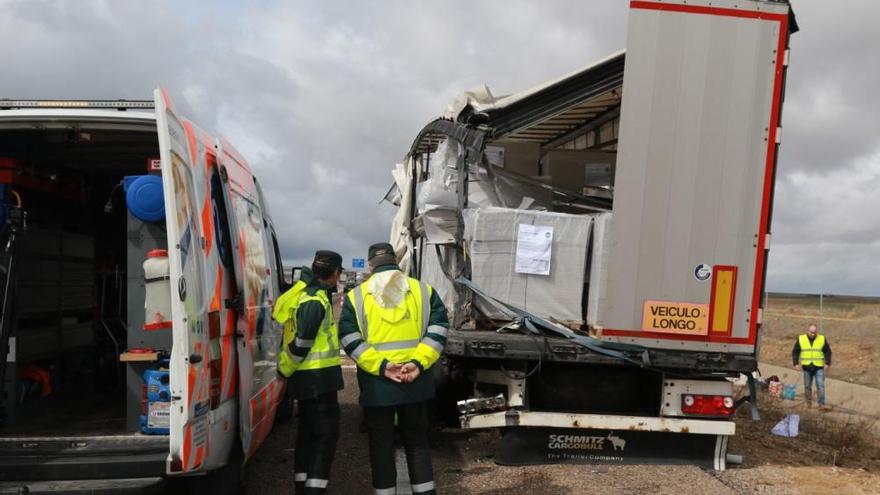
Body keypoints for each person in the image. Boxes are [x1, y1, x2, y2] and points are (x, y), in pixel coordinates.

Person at [339, 243, 449, 495]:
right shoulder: (424, 291)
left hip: (378, 386)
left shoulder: (357, 296)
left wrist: (383, 367)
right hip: (415, 383)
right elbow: (439, 329)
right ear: (395, 260)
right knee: (417, 442)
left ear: (370, 265)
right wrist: (417, 363)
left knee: (380, 445)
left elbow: (348, 337)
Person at [273, 251, 345, 494]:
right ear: (335, 273)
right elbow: (303, 342)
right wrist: (285, 368)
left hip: (309, 380)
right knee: (325, 438)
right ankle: (314, 490)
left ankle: (303, 487)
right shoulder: (315, 300)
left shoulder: (307, 295)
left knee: (307, 435)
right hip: (318, 381)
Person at [792, 324, 832, 409]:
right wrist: (796, 363)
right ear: (808, 331)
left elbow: (828, 351)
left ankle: (821, 404)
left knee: (820, 385)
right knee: (807, 386)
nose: (813, 334)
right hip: (806, 366)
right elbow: (795, 351)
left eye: (814, 332)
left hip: (819, 366)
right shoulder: (801, 338)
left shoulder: (821, 338)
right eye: (811, 332)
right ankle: (808, 403)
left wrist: (827, 363)